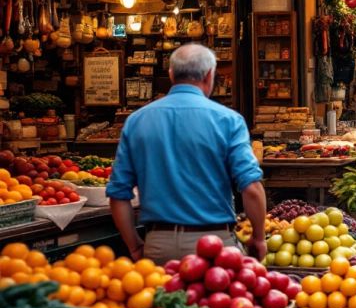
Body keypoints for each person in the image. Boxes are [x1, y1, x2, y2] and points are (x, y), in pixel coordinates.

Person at [106, 44, 267, 263]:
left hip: (158, 245)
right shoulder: (228, 120)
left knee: (163, 299)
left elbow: (118, 194)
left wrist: (135, 246)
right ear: (210, 75)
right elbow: (252, 188)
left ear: (171, 74)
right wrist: (258, 237)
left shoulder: (137, 121)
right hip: (215, 246)